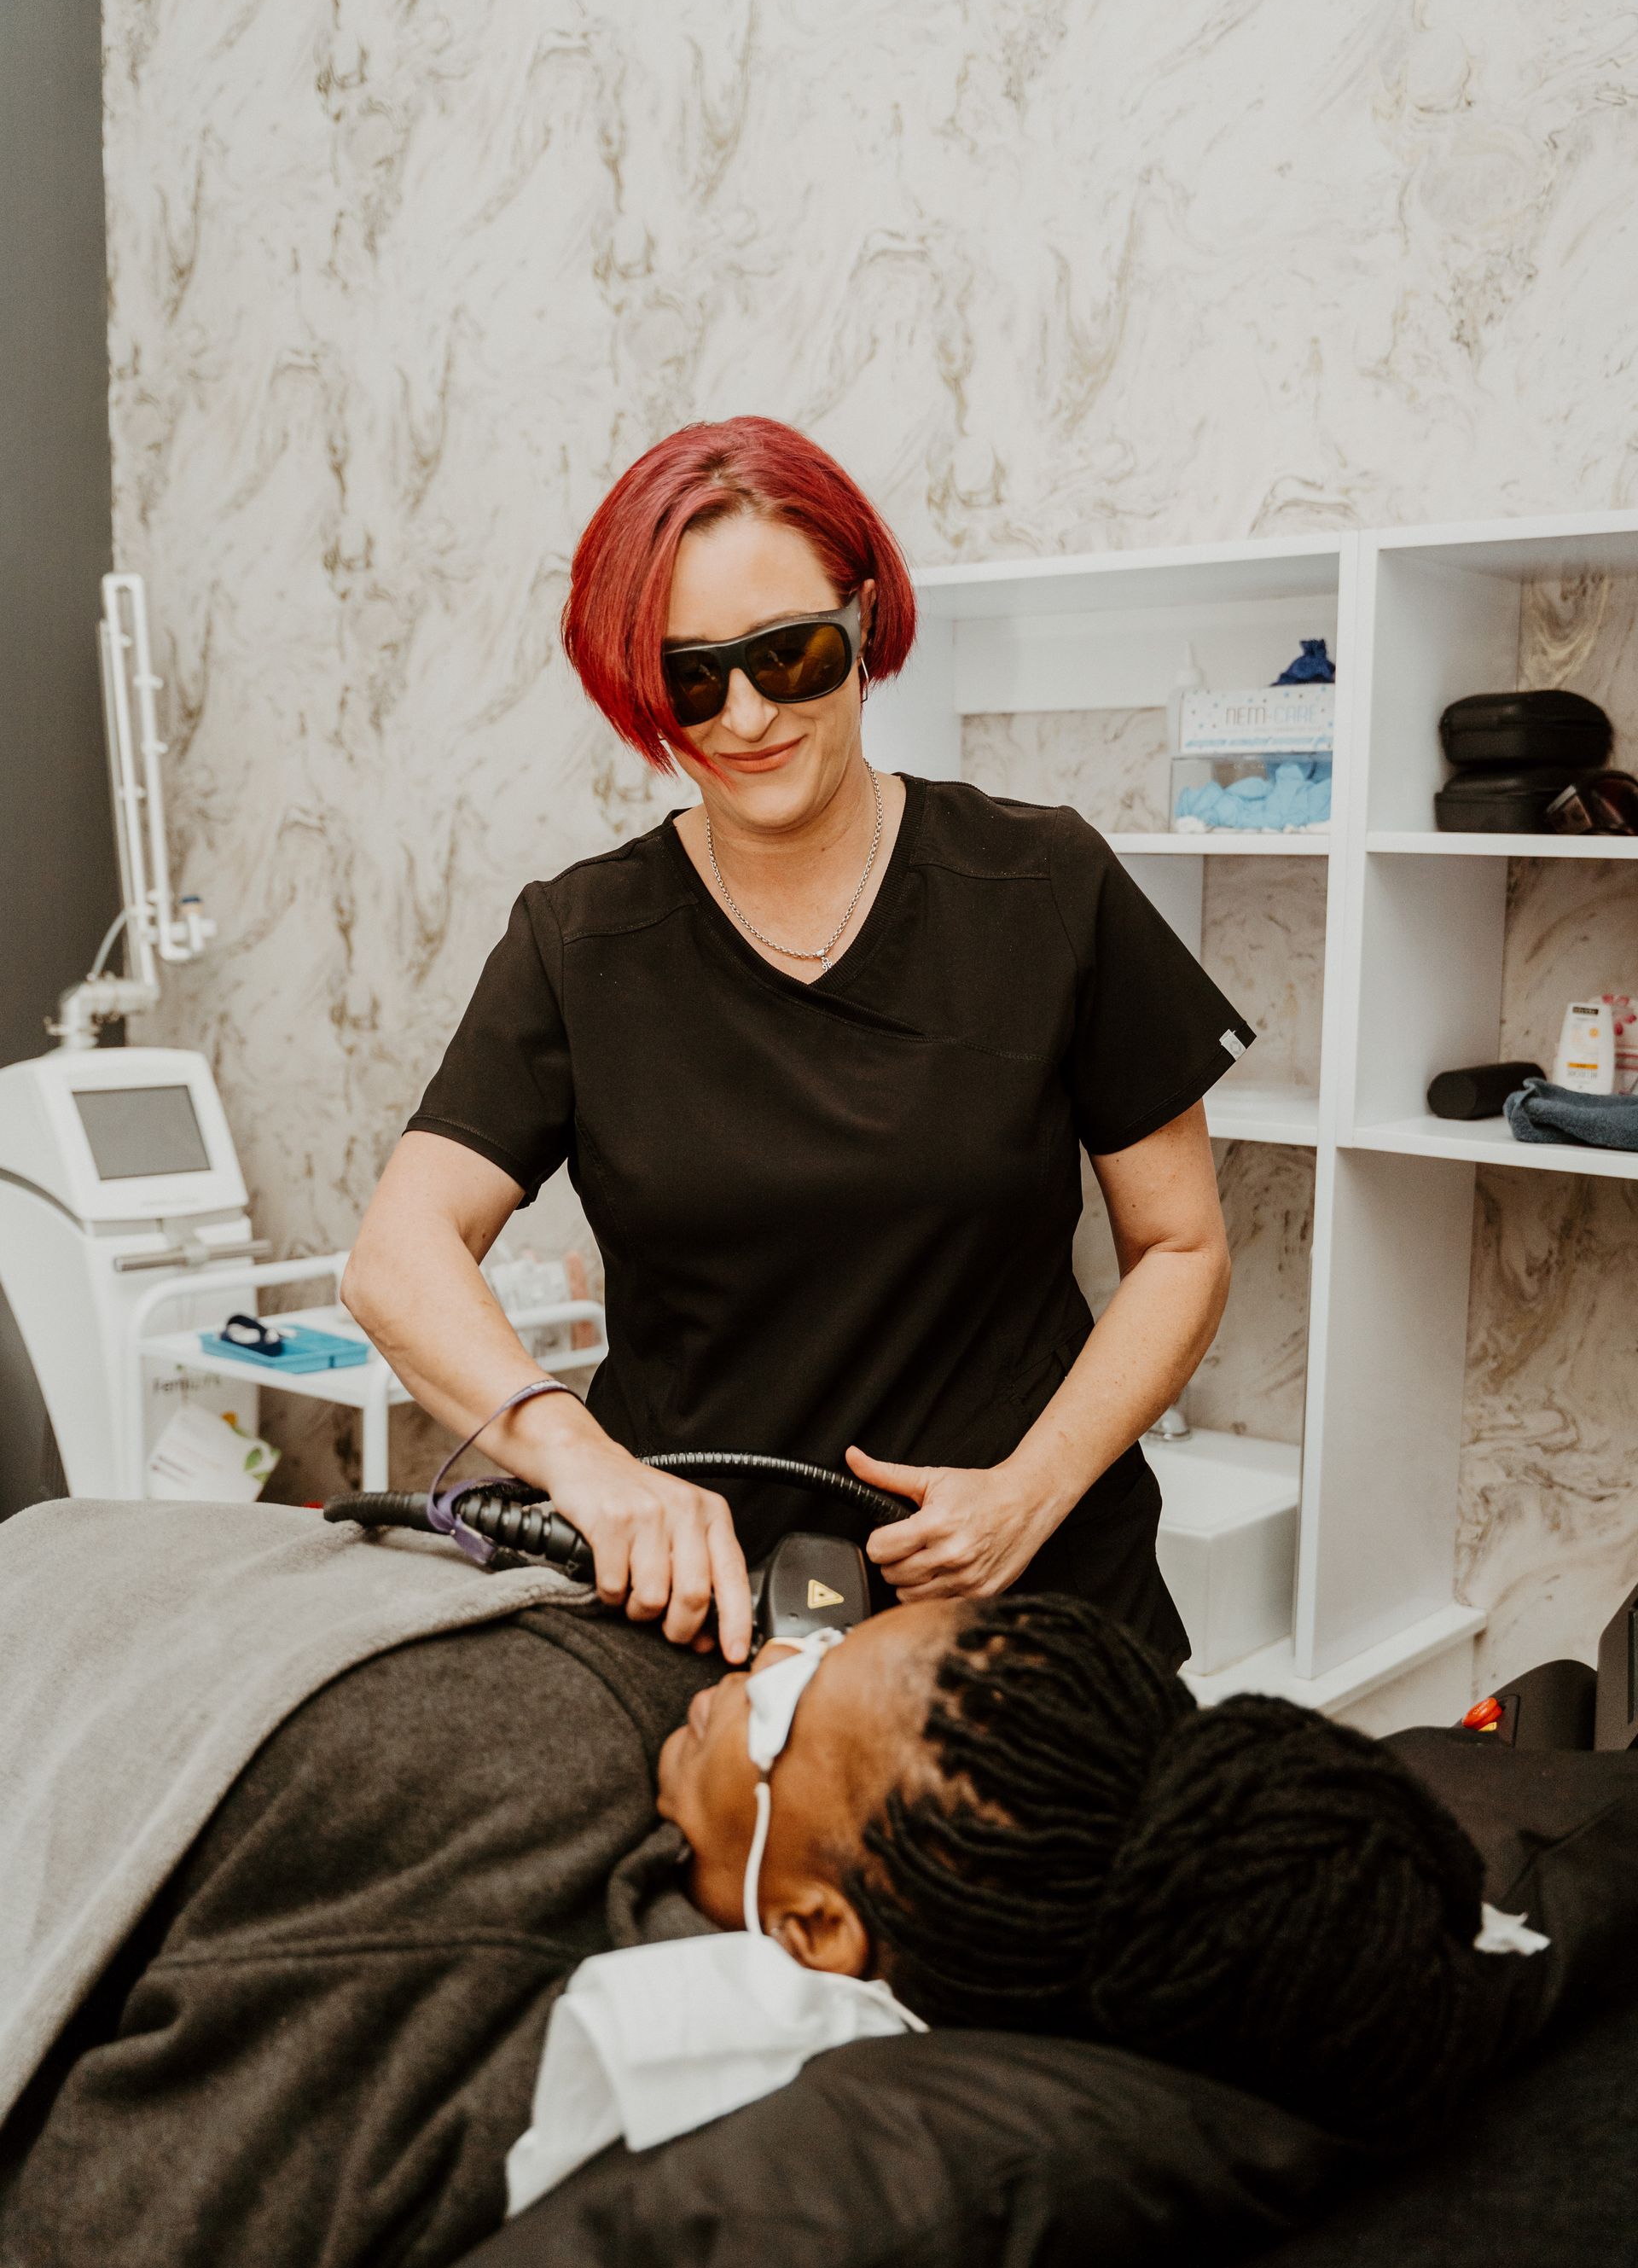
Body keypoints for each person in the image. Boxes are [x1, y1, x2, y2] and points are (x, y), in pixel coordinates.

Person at [0, 1580, 1520, 2268]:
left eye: (790, 1708)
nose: (760, 1668)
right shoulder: (806, 1822)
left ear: (811, 1930)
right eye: (827, 1635)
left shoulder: (453, 1942)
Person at [342, 416, 1253, 1671]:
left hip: (1022, 1608)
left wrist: (1029, 1493)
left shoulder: (1041, 883)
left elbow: (1183, 1245)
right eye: (692, 678)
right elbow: (398, 1257)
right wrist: (589, 1474)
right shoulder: (582, 938)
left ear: (865, 622)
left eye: (792, 654)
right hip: (695, 1618)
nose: (747, 714)